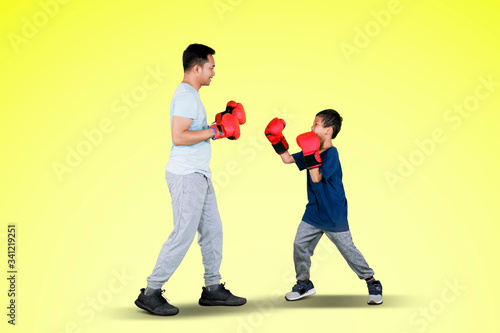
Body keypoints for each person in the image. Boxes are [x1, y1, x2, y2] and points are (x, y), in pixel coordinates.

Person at [135, 43, 246, 316]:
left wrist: (215, 126)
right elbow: (179, 136)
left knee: (213, 230)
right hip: (186, 175)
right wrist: (215, 131)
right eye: (211, 68)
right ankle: (150, 292)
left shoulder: (192, 96)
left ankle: (212, 289)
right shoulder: (186, 96)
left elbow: (194, 131)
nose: (213, 73)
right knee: (183, 233)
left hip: (199, 174)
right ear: (196, 68)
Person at [264, 109, 383, 305]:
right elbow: (287, 159)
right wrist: (276, 139)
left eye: (316, 124)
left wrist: (310, 154)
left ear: (329, 130)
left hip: (333, 212)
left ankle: (372, 282)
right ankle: (304, 283)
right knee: (299, 245)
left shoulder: (331, 154)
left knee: (348, 250)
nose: (311, 127)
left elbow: (317, 178)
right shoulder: (311, 150)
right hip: (314, 211)